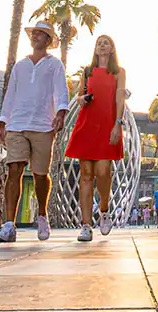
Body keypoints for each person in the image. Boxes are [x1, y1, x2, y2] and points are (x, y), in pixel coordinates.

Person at [0, 20, 70, 243]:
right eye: (33, 33)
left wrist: (61, 113)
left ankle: (42, 215)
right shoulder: (20, 66)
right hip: (16, 124)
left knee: (40, 175)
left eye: (40, 33)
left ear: (48, 40)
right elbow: (10, 94)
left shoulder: (54, 65)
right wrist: (2, 122)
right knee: (14, 170)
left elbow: (61, 91)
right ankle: (9, 225)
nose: (35, 36)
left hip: (43, 125)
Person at [65, 33, 127, 242]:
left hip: (107, 124)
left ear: (112, 49)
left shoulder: (118, 72)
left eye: (106, 43)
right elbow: (79, 96)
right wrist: (82, 98)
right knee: (86, 174)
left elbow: (120, 98)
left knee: (103, 171)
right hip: (87, 124)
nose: (102, 45)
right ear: (95, 48)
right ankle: (85, 226)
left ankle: (104, 210)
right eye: (99, 43)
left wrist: (118, 124)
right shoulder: (87, 71)